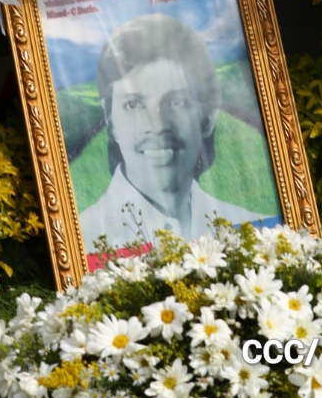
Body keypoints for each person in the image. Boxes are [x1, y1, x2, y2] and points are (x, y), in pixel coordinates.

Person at [79, 13, 275, 249]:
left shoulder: (254, 230)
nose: (157, 126)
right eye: (133, 104)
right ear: (110, 120)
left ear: (208, 117)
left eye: (176, 102)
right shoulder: (83, 243)